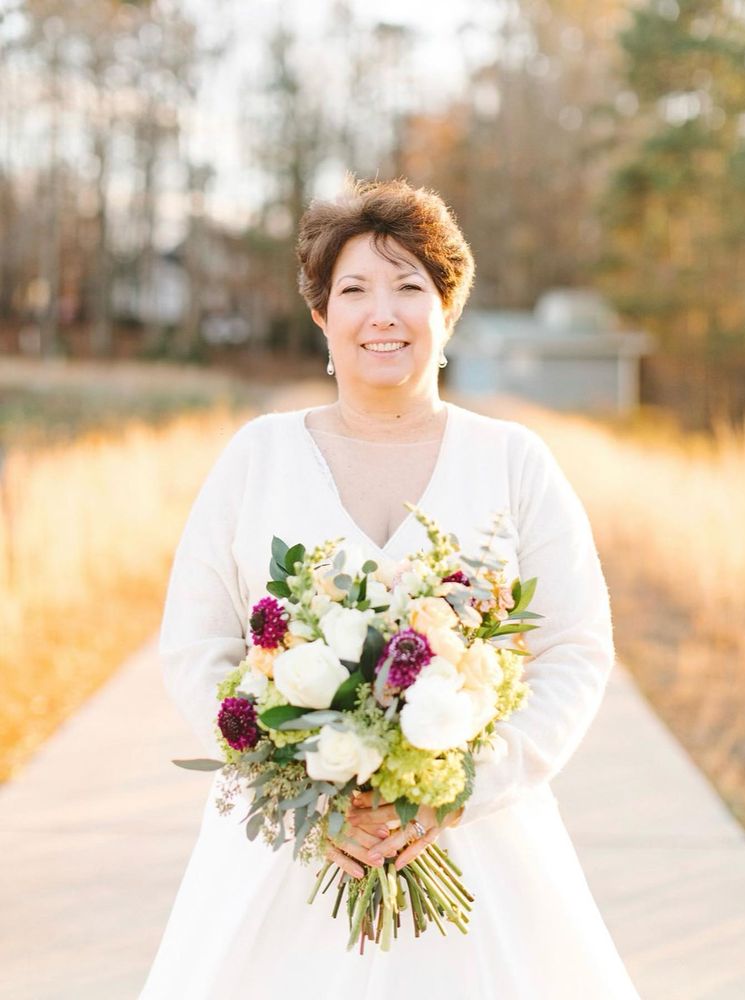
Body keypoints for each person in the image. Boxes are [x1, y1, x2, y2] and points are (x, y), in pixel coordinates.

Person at [139, 176, 642, 998]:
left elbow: (575, 648)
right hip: (287, 853)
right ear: (321, 318)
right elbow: (199, 647)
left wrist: (463, 792)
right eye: (354, 290)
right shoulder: (256, 457)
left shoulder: (513, 461)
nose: (384, 313)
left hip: (478, 852)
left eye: (411, 286)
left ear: (447, 311)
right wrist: (302, 792)